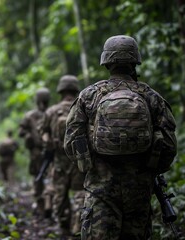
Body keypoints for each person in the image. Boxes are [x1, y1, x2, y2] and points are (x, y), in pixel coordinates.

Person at [64, 35, 177, 239]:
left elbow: (72, 141)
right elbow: (168, 146)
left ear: (106, 62)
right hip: (139, 190)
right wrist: (148, 169)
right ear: (135, 61)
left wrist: (90, 167)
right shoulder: (151, 97)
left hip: (100, 189)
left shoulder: (89, 95)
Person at [41, 75, 86, 236]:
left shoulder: (52, 111)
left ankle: (63, 225)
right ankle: (77, 226)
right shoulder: (84, 106)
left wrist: (48, 143)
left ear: (60, 90)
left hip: (59, 161)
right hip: (80, 160)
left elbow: (43, 132)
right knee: (81, 194)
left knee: (60, 196)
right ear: (75, 89)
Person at [19, 87, 51, 218]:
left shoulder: (29, 115)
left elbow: (21, 132)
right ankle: (50, 203)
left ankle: (41, 205)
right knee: (51, 177)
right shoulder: (53, 112)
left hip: (36, 152)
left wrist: (29, 135)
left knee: (38, 178)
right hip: (51, 152)